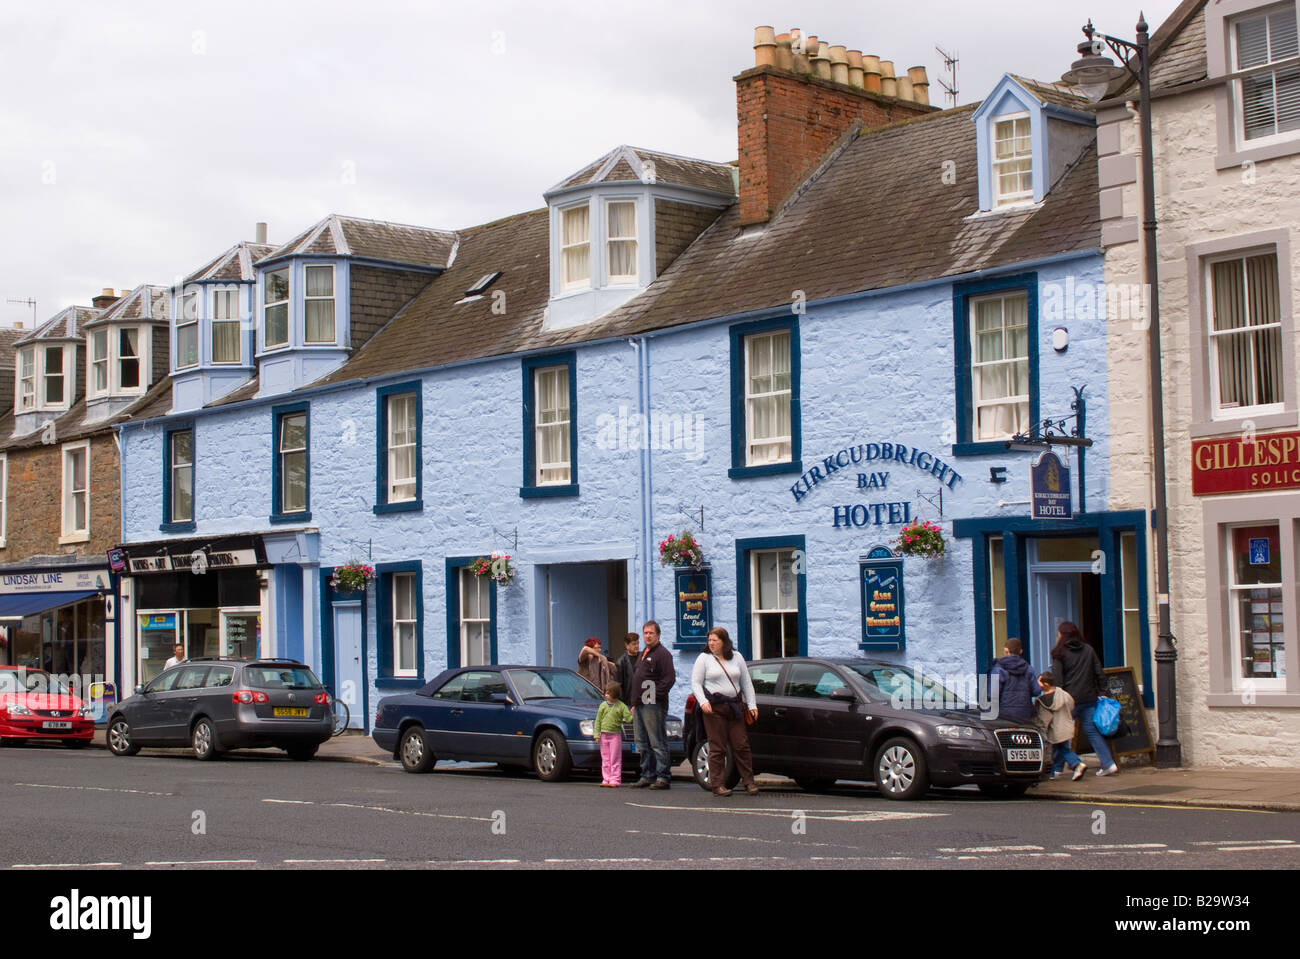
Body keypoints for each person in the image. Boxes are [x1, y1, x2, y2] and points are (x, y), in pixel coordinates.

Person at [691, 626, 759, 797]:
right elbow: (696, 683)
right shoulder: (704, 659)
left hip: (735, 707)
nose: (711, 643)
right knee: (717, 747)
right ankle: (718, 784)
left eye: (715, 640)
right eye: (710, 640)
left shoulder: (737, 657)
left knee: (741, 745)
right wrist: (703, 702)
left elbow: (746, 683)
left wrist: (752, 705)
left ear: (724, 642)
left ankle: (749, 782)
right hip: (714, 708)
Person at [1051, 621, 1118, 776]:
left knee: (1059, 733)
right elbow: (1099, 673)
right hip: (1088, 698)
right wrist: (1103, 691)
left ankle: (1057, 769)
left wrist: (1057, 699)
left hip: (1069, 700)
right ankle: (1108, 764)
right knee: (1092, 731)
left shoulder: (1059, 653)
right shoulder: (1089, 650)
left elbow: (1058, 681)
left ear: (1062, 635)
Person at [631, 620, 675, 789]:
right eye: (645, 633)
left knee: (657, 741)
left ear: (658, 635)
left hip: (653, 703)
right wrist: (634, 702)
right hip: (640, 704)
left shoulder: (663, 654)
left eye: (651, 633)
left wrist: (654, 695)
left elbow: (669, 679)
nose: (648, 636)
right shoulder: (644, 653)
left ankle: (663, 776)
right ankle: (647, 774)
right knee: (641, 742)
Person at [1033, 671, 1084, 780]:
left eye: (1039, 683)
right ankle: (1055, 771)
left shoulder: (1042, 701)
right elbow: (1071, 705)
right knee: (1059, 748)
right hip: (1067, 726)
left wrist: (1041, 730)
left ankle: (1077, 764)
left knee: (1063, 749)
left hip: (1055, 730)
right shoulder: (1064, 694)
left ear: (1045, 685)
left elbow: (1043, 719)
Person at [988, 636, 1040, 723]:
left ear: (1006, 650)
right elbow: (1036, 691)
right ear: (1021, 651)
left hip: (1004, 715)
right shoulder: (1028, 669)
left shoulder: (998, 669)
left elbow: (992, 695)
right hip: (1024, 714)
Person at [593, 681, 634, 787]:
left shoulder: (621, 706)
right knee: (605, 758)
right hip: (604, 735)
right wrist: (597, 734)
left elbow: (629, 719)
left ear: (615, 694)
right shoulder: (603, 705)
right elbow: (598, 720)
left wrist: (632, 714)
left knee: (615, 758)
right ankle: (606, 778)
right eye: (606, 692)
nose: (606, 695)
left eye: (608, 693)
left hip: (615, 736)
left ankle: (615, 779)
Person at [614, 632, 639, 706]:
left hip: (643, 700)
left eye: (638, 643)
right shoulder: (621, 662)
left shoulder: (643, 658)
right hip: (629, 702)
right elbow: (619, 686)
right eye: (634, 644)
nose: (637, 646)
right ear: (627, 645)